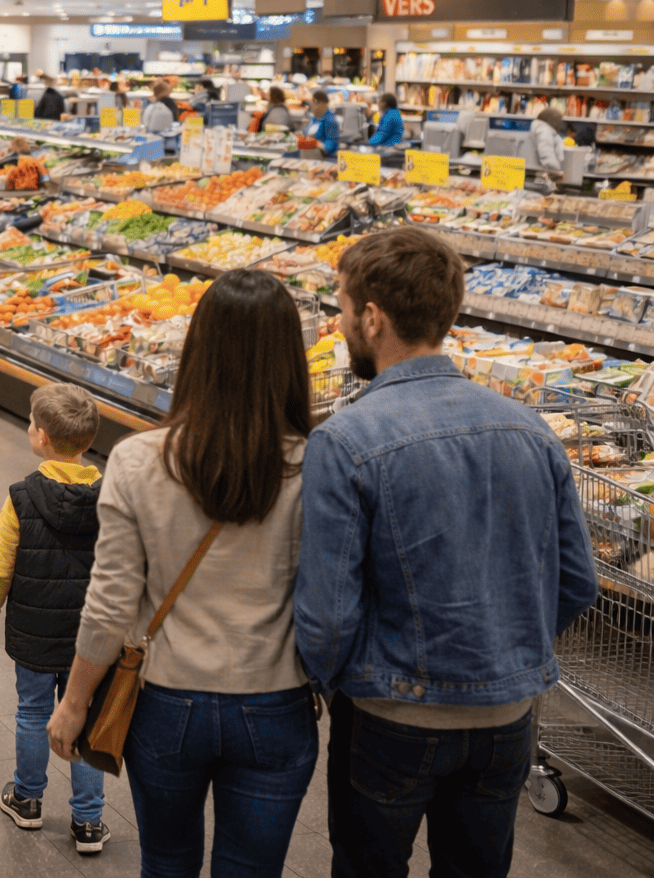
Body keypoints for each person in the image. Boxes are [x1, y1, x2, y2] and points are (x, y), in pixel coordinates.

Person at [295, 227, 598, 878]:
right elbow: (577, 580)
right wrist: (510, 655)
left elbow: (328, 611)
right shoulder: (532, 429)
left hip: (391, 714)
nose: (337, 320)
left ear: (372, 319)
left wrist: (324, 682)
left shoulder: (347, 440)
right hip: (508, 718)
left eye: (342, 307)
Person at [47, 269, 319, 878]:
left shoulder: (138, 460)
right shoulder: (318, 464)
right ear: (290, 359)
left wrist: (75, 702)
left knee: (166, 862)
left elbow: (110, 603)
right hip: (275, 703)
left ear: (196, 351)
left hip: (166, 703)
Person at [0, 384, 110, 855]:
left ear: (42, 437)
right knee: (85, 718)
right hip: (89, 638)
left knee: (32, 712)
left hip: (33, 632)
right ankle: (88, 822)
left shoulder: (21, 497)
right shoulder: (110, 500)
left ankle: (27, 800)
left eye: (31, 423)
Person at [531, 105, 568, 173]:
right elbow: (546, 155)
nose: (560, 123)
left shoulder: (544, 130)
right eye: (559, 119)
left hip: (538, 172)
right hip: (541, 173)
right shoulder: (544, 130)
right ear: (552, 120)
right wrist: (558, 170)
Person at [305, 89, 340, 158]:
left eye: (314, 103)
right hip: (309, 153)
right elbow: (307, 134)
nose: (312, 107)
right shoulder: (315, 118)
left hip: (323, 157)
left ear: (322, 104)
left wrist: (319, 145)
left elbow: (331, 144)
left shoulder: (330, 120)